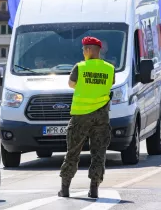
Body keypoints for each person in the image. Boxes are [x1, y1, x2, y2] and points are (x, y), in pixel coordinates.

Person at [59, 36, 115, 199]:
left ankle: (65, 188)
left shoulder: (80, 67)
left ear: (90, 50)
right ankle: (94, 188)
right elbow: (110, 84)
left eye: (84, 49)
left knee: (73, 152)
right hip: (101, 117)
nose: (83, 52)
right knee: (98, 153)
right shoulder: (110, 69)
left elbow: (71, 84)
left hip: (81, 117)